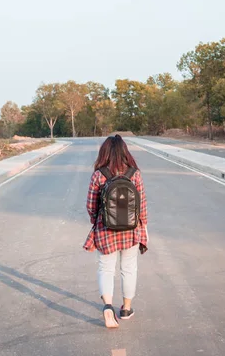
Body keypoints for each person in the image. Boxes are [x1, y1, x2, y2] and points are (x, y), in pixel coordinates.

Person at [83, 134, 148, 329]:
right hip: (131, 229)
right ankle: (126, 309)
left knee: (106, 268)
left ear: (105, 153)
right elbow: (142, 205)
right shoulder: (134, 173)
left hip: (106, 229)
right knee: (129, 268)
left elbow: (90, 206)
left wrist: (98, 222)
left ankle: (108, 307)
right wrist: (142, 226)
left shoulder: (99, 174)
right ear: (125, 152)